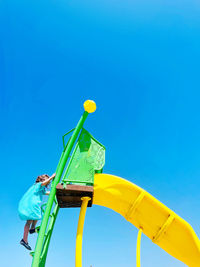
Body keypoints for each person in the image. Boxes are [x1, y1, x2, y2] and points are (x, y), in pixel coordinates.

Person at [18, 173, 56, 250]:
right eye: (46, 179)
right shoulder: (38, 185)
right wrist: (52, 177)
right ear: (42, 180)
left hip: (34, 205)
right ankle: (24, 239)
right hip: (31, 204)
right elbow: (43, 183)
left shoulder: (41, 189)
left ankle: (32, 229)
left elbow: (48, 193)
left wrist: (56, 190)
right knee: (29, 221)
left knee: (37, 216)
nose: (48, 182)